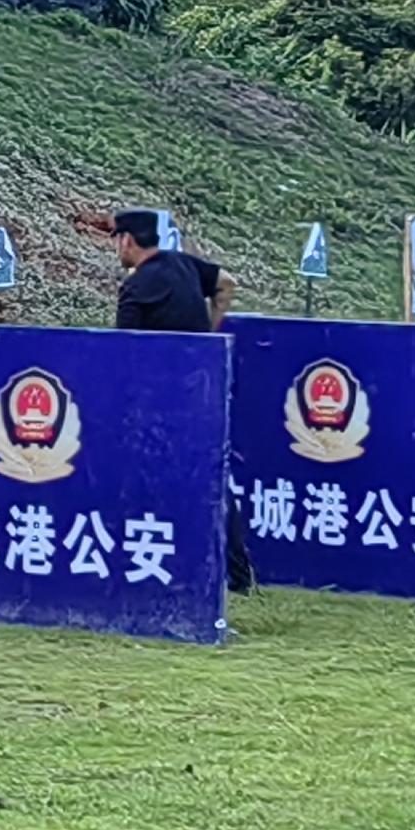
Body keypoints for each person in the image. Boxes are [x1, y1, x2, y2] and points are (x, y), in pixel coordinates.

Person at [110, 209, 250, 591]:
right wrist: (210, 335)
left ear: (127, 240)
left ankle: (157, 559)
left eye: (116, 239)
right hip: (204, 390)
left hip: (159, 402)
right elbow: (227, 284)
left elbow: (126, 352)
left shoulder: (136, 289)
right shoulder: (185, 265)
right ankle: (238, 574)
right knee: (213, 480)